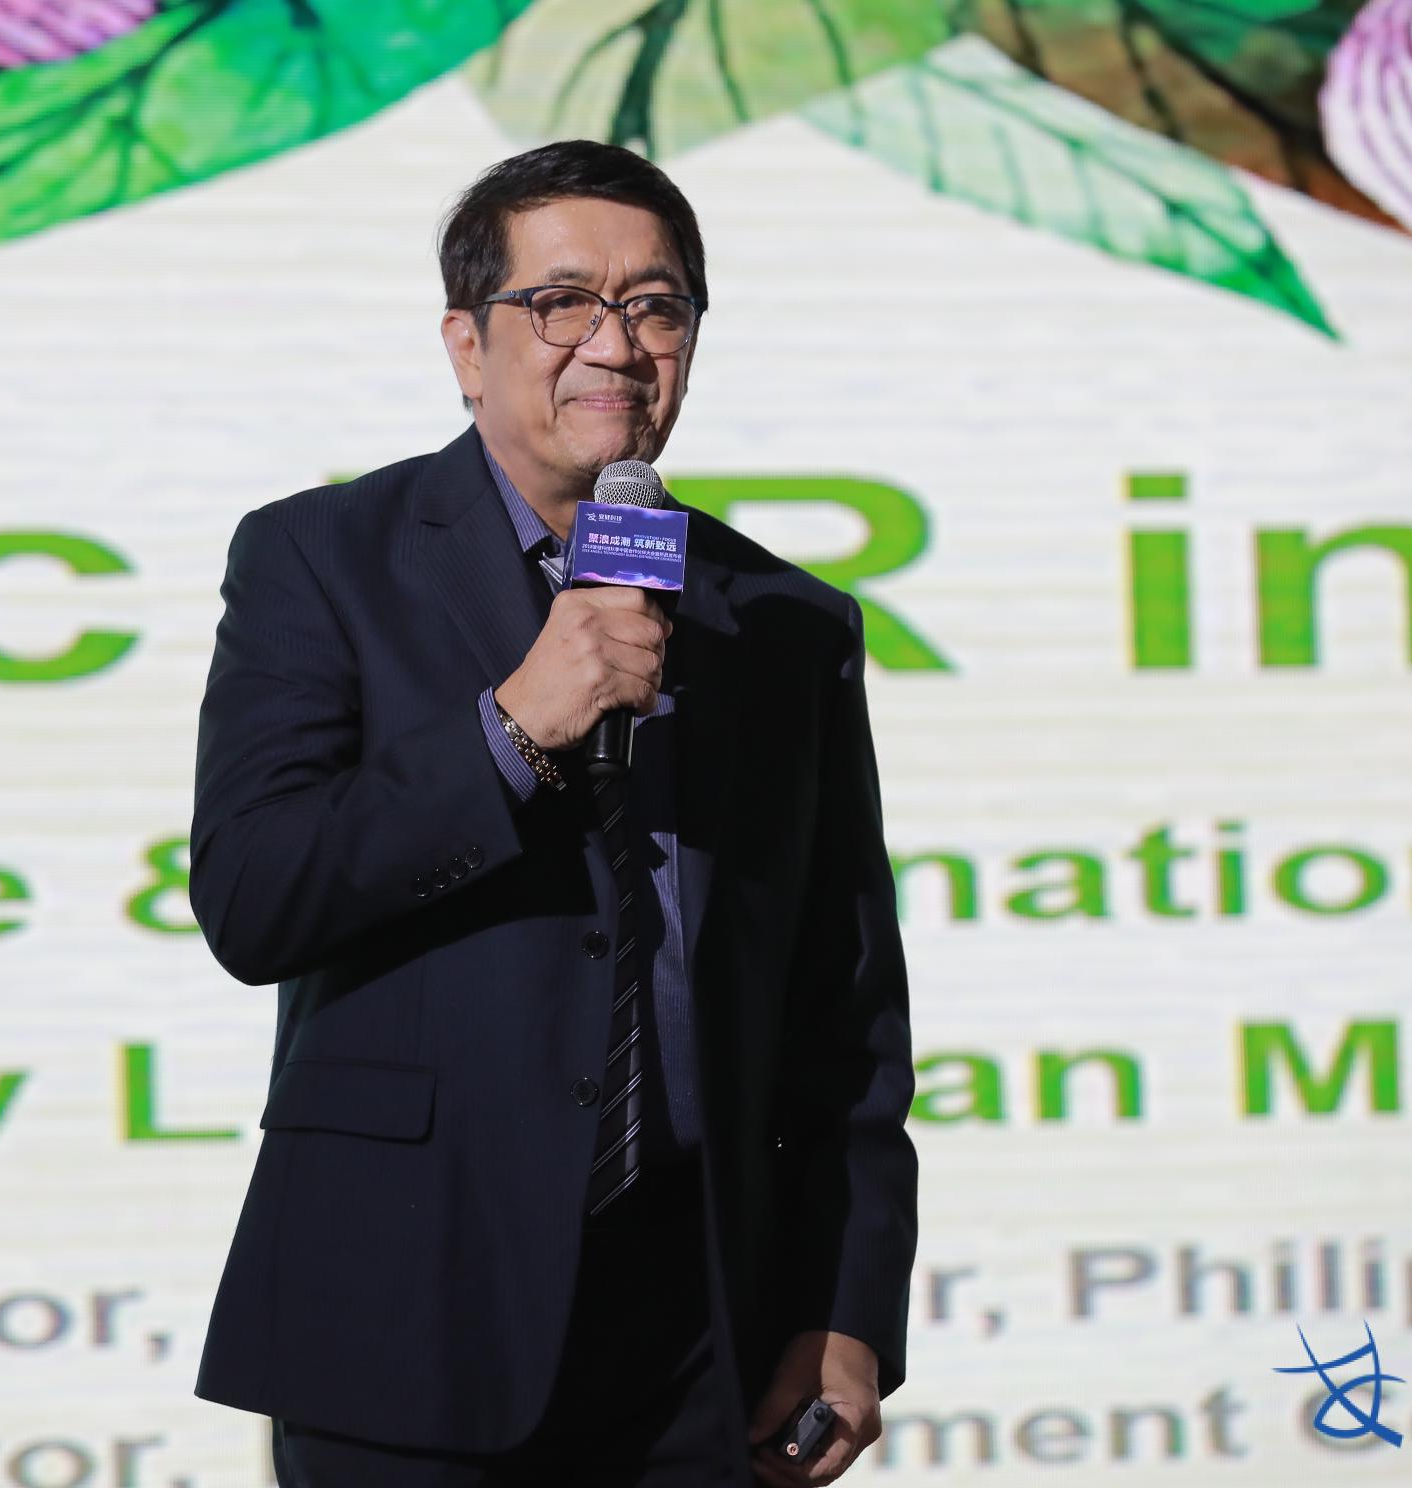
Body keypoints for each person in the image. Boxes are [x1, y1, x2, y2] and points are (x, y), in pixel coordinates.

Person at [187, 138, 917, 1487]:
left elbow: (845, 1008)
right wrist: (514, 729)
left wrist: (848, 1306)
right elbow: (255, 895)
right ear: (467, 345)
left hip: (701, 1321)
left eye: (657, 307)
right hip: (409, 1295)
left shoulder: (785, 622)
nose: (617, 345)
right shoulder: (322, 558)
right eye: (564, 302)